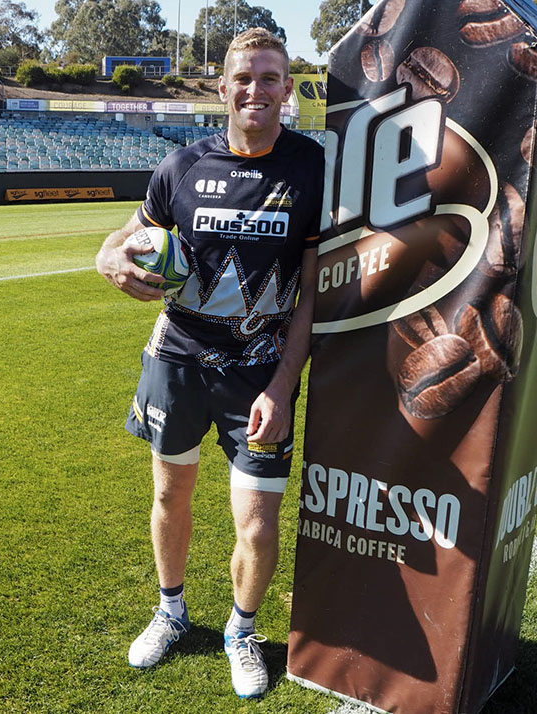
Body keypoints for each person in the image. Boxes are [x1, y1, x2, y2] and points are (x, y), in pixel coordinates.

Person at [94, 28, 322, 699]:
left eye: (270, 78)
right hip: (177, 359)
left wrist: (283, 385)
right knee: (171, 495)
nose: (256, 90)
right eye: (243, 78)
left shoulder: (312, 167)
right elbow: (128, 233)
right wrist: (107, 255)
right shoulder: (181, 166)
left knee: (259, 521)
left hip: (260, 371)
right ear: (222, 88)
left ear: (287, 89)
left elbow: (312, 293)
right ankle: (171, 611)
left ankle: (241, 630)